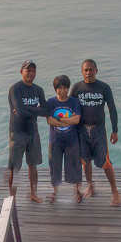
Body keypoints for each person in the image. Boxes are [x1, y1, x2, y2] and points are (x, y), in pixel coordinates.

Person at [69, 59, 121, 206]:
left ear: (96, 71)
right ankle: (90, 185)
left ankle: (115, 192)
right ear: (82, 72)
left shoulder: (104, 88)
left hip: (98, 130)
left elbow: (112, 108)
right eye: (85, 70)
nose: (88, 73)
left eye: (91, 69)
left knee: (105, 163)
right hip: (81, 130)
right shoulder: (77, 88)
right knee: (85, 161)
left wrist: (115, 130)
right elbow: (70, 108)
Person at [7, 60, 47, 203]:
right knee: (14, 166)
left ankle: (33, 193)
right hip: (17, 132)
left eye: (33, 71)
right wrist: (35, 110)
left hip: (32, 132)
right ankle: (12, 196)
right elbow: (21, 112)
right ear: (21, 71)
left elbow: (45, 110)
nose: (30, 73)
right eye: (27, 70)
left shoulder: (38, 90)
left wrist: (27, 110)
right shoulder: (15, 89)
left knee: (33, 165)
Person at [44, 75, 83, 203]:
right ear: (55, 89)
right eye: (59, 88)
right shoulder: (50, 102)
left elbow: (76, 119)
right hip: (55, 141)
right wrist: (67, 121)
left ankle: (77, 191)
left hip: (72, 140)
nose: (63, 91)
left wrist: (60, 120)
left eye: (65, 88)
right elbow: (50, 120)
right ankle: (54, 192)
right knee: (54, 166)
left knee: (75, 165)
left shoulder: (74, 101)